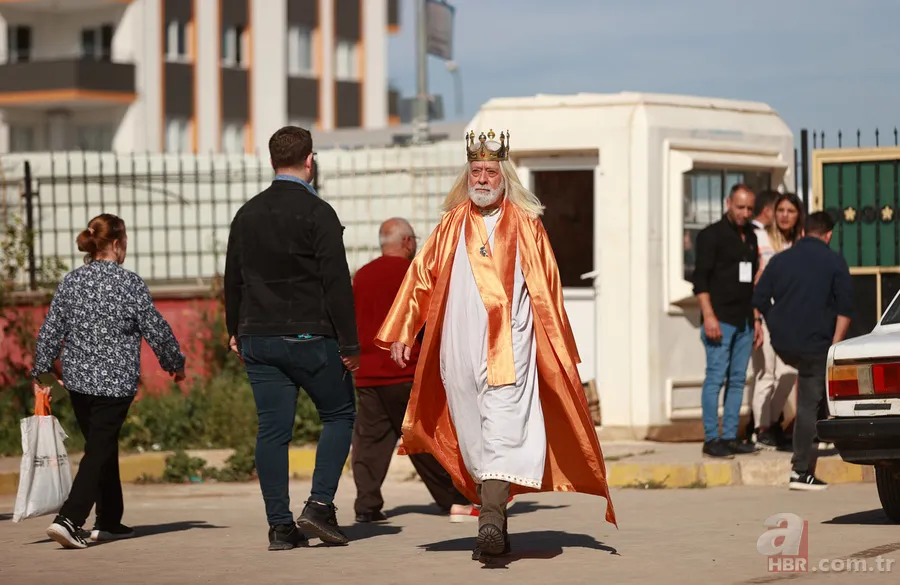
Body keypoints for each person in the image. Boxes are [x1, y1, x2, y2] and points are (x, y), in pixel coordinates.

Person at [375, 130, 617, 561]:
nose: (483, 178)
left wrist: (558, 348)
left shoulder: (527, 225)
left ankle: (488, 520)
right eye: (476, 170)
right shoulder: (450, 225)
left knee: (503, 431)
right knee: (473, 439)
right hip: (459, 352)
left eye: (490, 171)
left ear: (504, 176)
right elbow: (420, 280)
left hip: (512, 350)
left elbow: (548, 291)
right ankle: (496, 519)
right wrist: (402, 331)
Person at [224, 126, 359, 550]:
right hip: (310, 335)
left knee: (272, 430)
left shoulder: (246, 214)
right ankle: (319, 505)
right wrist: (350, 345)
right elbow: (337, 283)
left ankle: (280, 527)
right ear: (310, 160)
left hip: (258, 337)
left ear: (270, 162)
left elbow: (234, 279)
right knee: (338, 415)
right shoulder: (319, 214)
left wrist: (234, 328)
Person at [31, 214, 186, 550]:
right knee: (99, 449)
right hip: (115, 385)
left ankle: (110, 519)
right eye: (125, 241)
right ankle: (69, 519)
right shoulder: (129, 283)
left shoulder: (71, 282)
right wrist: (175, 364)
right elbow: (156, 329)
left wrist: (41, 373)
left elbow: (51, 330)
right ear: (116, 244)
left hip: (77, 383)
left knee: (102, 445)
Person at [351, 217, 477, 524]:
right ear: (407, 242)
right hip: (407, 372)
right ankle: (454, 500)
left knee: (369, 443)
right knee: (425, 439)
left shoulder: (362, 275)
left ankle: (367, 505)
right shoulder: (415, 273)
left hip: (368, 374)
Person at [753, 211, 852, 491]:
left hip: (784, 343)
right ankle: (800, 471)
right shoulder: (834, 261)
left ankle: (809, 447)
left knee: (809, 396)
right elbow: (845, 310)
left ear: (804, 231)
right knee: (809, 402)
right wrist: (835, 343)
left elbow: (759, 297)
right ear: (828, 234)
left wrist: (775, 323)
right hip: (816, 344)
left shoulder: (780, 260)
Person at [692, 184, 762, 459]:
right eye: (739, 207)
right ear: (728, 203)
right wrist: (709, 316)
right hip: (720, 319)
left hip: (744, 320)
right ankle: (712, 438)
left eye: (749, 208)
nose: (744, 213)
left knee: (737, 380)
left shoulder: (752, 237)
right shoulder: (711, 236)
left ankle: (731, 436)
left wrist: (755, 319)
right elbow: (700, 281)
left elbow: (752, 281)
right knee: (715, 378)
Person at [750, 192, 804, 449]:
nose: (784, 215)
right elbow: (754, 279)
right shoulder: (760, 238)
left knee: (789, 371)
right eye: (780, 210)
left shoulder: (800, 243)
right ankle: (761, 428)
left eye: (790, 211)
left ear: (797, 216)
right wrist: (756, 318)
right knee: (767, 373)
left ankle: (771, 424)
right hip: (766, 314)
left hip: (792, 317)